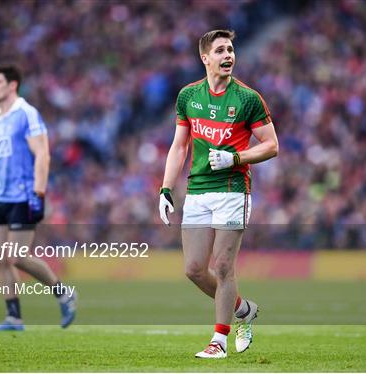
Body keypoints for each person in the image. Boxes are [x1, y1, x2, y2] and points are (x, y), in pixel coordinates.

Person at [159, 30, 279, 358]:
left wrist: (235, 157)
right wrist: (166, 188)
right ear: (205, 58)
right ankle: (243, 310)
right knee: (194, 269)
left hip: (232, 189)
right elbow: (179, 146)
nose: (228, 55)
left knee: (224, 265)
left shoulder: (247, 99)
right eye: (221, 50)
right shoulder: (188, 96)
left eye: (231, 49)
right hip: (198, 190)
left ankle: (219, 341)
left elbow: (271, 146)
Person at [0, 64, 76, 331]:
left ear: (12, 85)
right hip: (1, 198)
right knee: (0, 258)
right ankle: (14, 318)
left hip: (23, 196)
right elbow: (0, 161)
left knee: (16, 256)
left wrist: (38, 194)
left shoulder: (26, 113)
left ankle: (63, 292)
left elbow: (42, 154)